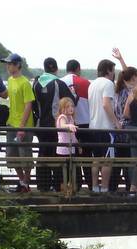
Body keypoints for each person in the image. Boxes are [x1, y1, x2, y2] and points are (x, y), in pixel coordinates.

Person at [32, 57, 75, 191]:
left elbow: (33, 104)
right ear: (56, 69)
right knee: (56, 156)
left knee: (42, 154)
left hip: (40, 125)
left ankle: (42, 185)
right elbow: (72, 101)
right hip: (55, 126)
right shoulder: (58, 83)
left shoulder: (36, 83)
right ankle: (57, 186)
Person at [2, 53, 35, 192]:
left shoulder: (25, 82)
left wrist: (22, 126)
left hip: (24, 125)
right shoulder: (9, 80)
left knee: (25, 155)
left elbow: (29, 105)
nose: (8, 66)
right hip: (11, 123)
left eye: (10, 64)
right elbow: (5, 95)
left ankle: (26, 183)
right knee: (11, 155)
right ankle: (22, 181)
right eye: (7, 64)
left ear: (17, 65)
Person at [88, 59, 120, 193]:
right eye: (113, 70)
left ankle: (95, 188)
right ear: (108, 70)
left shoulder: (92, 84)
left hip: (93, 127)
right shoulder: (108, 84)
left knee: (96, 159)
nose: (114, 74)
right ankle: (105, 188)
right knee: (107, 160)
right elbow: (106, 104)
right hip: (106, 128)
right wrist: (116, 123)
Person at [62, 59, 93, 190]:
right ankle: (91, 185)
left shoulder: (60, 82)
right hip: (85, 124)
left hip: (68, 124)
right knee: (86, 156)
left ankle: (76, 184)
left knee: (71, 156)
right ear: (78, 68)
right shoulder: (86, 83)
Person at [110, 66, 137, 192]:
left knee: (118, 162)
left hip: (117, 130)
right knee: (128, 162)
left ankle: (112, 189)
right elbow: (127, 113)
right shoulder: (128, 92)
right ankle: (129, 189)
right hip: (127, 130)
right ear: (133, 77)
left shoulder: (118, 90)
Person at [55, 97, 78, 192]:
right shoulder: (62, 117)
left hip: (71, 148)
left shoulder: (71, 118)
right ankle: (62, 189)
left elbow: (73, 136)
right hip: (63, 150)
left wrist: (78, 144)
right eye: (68, 106)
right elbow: (63, 125)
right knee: (62, 171)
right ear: (62, 108)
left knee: (70, 170)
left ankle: (69, 188)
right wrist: (69, 126)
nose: (71, 108)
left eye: (72, 106)